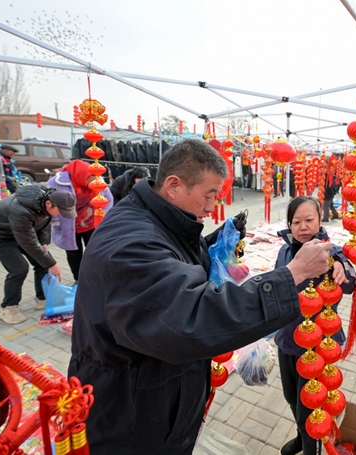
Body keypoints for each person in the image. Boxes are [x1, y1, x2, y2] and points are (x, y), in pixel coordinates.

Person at [68, 139, 333, 454]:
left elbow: (174, 262)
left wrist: (214, 241)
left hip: (150, 395)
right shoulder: (131, 246)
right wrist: (293, 275)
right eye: (209, 195)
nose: (211, 206)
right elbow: (193, 316)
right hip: (130, 417)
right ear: (174, 185)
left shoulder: (154, 221)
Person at [274, 195, 356, 455]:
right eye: (296, 221)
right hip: (288, 338)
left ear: (320, 220)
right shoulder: (285, 250)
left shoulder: (330, 253)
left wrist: (343, 266)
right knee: (292, 398)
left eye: (309, 219)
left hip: (318, 347)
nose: (303, 227)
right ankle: (301, 438)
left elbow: (351, 281)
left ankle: (311, 449)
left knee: (311, 408)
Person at [0, 184, 77, 324]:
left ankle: (42, 298)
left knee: (42, 261)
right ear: (49, 203)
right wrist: (51, 263)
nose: (60, 215)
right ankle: (7, 307)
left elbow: (44, 223)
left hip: (19, 232)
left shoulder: (48, 200)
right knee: (19, 268)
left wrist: (44, 243)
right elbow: (28, 242)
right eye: (60, 211)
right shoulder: (21, 209)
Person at [47, 160, 114, 283]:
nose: (92, 182)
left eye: (95, 179)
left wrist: (102, 214)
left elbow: (108, 199)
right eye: (90, 179)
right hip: (69, 226)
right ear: (82, 175)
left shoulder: (97, 180)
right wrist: (55, 220)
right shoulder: (57, 183)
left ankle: (95, 277)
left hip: (92, 224)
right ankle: (79, 279)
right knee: (74, 254)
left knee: (95, 252)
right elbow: (49, 204)